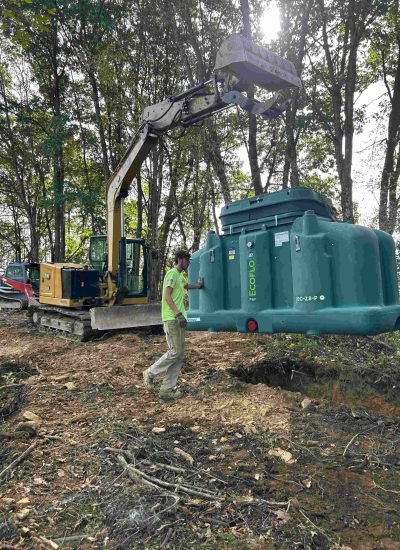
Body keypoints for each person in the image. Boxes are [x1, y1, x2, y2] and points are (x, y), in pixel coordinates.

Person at [143, 250, 204, 401]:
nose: (188, 263)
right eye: (187, 260)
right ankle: (149, 373)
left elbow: (186, 285)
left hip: (179, 319)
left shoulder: (180, 276)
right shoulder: (171, 274)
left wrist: (198, 285)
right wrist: (178, 314)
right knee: (175, 351)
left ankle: (167, 389)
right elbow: (167, 296)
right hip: (172, 318)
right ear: (180, 259)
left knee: (179, 354)